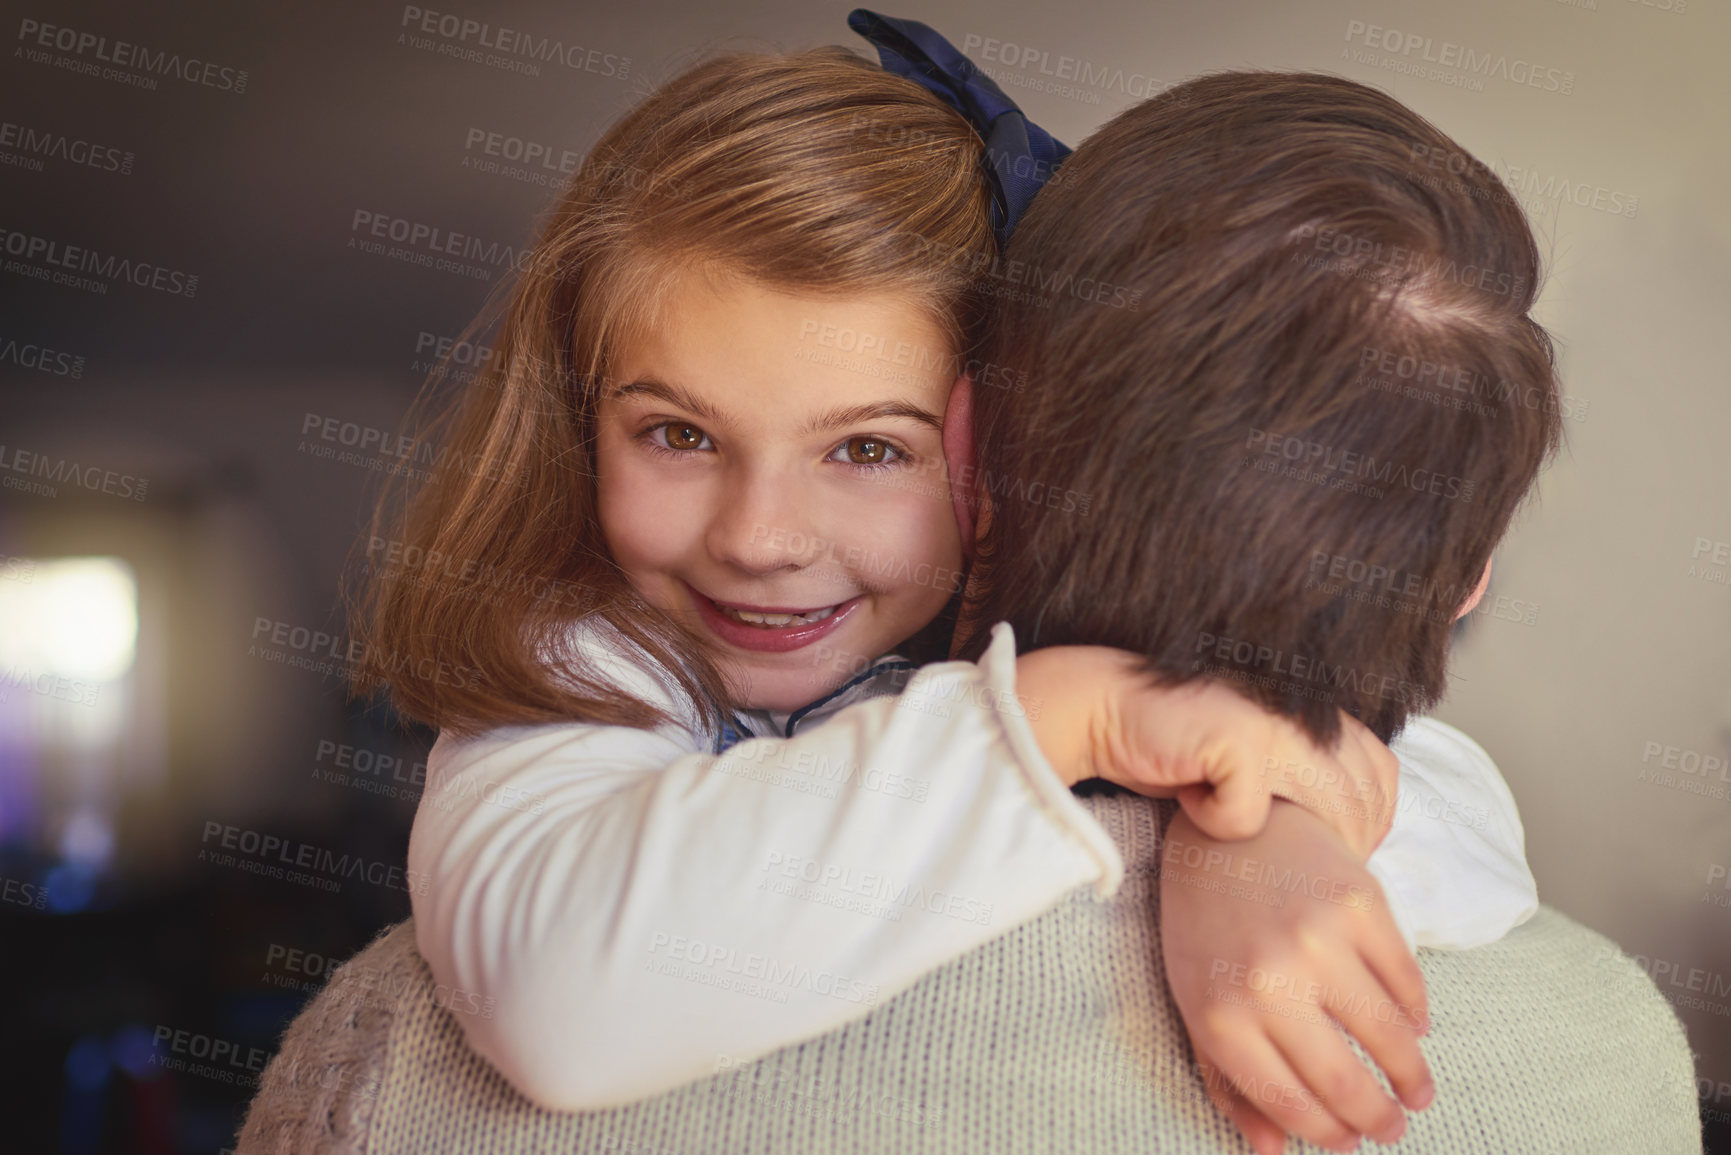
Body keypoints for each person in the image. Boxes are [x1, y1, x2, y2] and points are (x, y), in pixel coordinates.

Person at [344, 14, 1528, 1145]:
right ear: (577, 427)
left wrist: (1259, 834)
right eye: (679, 436)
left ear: (995, 454)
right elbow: (561, 1003)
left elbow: (1454, 814)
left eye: (868, 450)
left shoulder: (1100, 621)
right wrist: (1073, 716)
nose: (760, 537)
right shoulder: (590, 661)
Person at [950, 66, 1565, 1152]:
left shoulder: (753, 812)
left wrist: (1247, 819)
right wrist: (1255, 817)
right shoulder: (1600, 1040)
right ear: (1473, 580)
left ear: (961, 451)